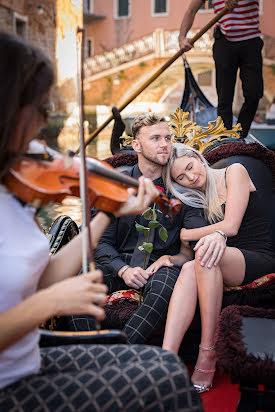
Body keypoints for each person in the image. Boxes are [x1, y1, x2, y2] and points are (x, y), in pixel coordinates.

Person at [0, 32, 204, 411]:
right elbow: (51, 288)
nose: (46, 127)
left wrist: (109, 210)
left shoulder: (16, 191)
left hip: (25, 362)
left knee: (167, 365)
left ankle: (118, 348)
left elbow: (45, 275)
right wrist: (48, 303)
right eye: (40, 110)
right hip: (9, 384)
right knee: (168, 383)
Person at [150, 143, 275, 393]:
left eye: (190, 167)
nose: (191, 177)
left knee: (206, 257)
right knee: (189, 268)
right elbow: (188, 255)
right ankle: (165, 361)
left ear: (197, 157)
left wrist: (186, 233)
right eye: (181, 178)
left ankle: (207, 352)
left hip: (259, 257)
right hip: (223, 259)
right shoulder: (197, 198)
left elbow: (230, 227)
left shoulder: (234, 172)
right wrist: (168, 260)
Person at [94, 112, 225, 345]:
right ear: (136, 145)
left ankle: (117, 352)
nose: (164, 144)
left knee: (165, 285)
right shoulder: (116, 185)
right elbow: (101, 242)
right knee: (84, 277)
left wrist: (215, 234)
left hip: (160, 265)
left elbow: (196, 236)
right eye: (155, 138)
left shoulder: (182, 190)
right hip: (119, 262)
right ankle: (85, 348)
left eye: (167, 138)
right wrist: (123, 269)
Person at [179, 0, 264, 138]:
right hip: (224, 42)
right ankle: (225, 138)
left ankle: (239, 135)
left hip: (251, 42)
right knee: (224, 98)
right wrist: (182, 37)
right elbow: (191, 10)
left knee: (254, 93)